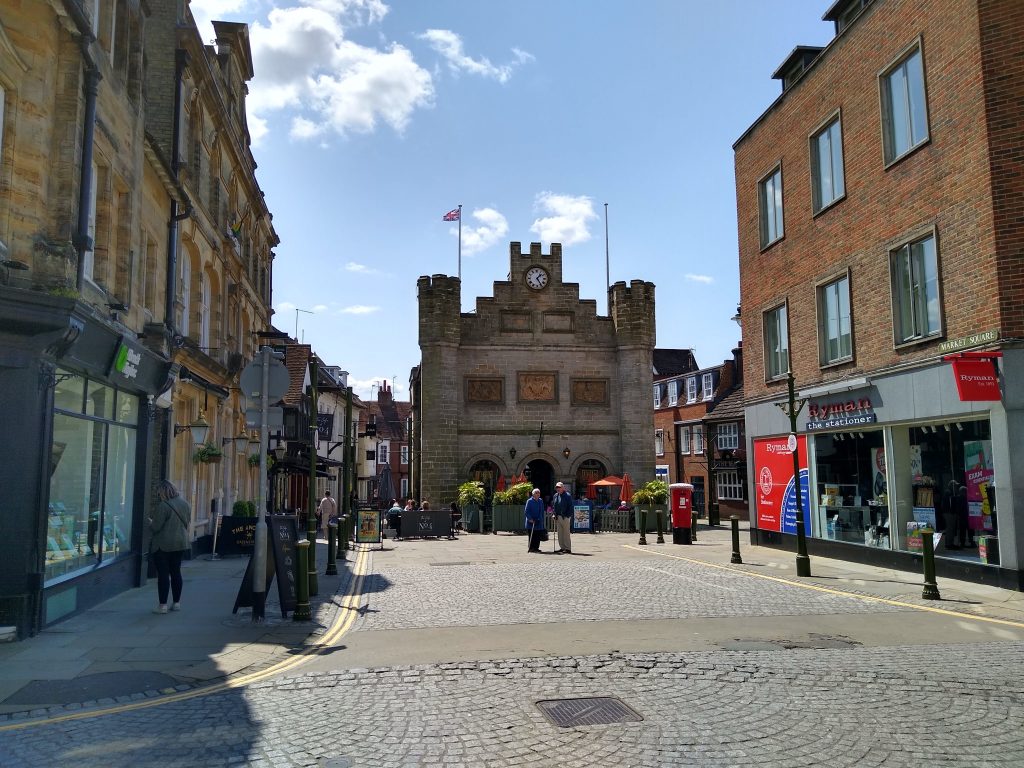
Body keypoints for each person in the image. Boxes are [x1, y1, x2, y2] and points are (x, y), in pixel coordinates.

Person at [149, 480, 190, 614]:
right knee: (176, 572)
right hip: (180, 543)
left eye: (159, 492)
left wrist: (150, 522)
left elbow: (156, 527)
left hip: (163, 545)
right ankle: (177, 603)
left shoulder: (163, 506)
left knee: (163, 575)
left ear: (163, 491)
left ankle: (162, 606)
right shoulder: (185, 504)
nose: (158, 495)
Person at [552, 481, 574, 554]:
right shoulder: (555, 495)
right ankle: (562, 547)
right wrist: (554, 514)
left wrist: (567, 516)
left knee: (566, 533)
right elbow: (554, 506)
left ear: (563, 488)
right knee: (560, 533)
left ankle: (568, 548)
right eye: (557, 487)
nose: (558, 489)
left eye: (559, 487)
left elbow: (570, 507)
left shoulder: (567, 496)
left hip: (565, 517)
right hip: (558, 516)